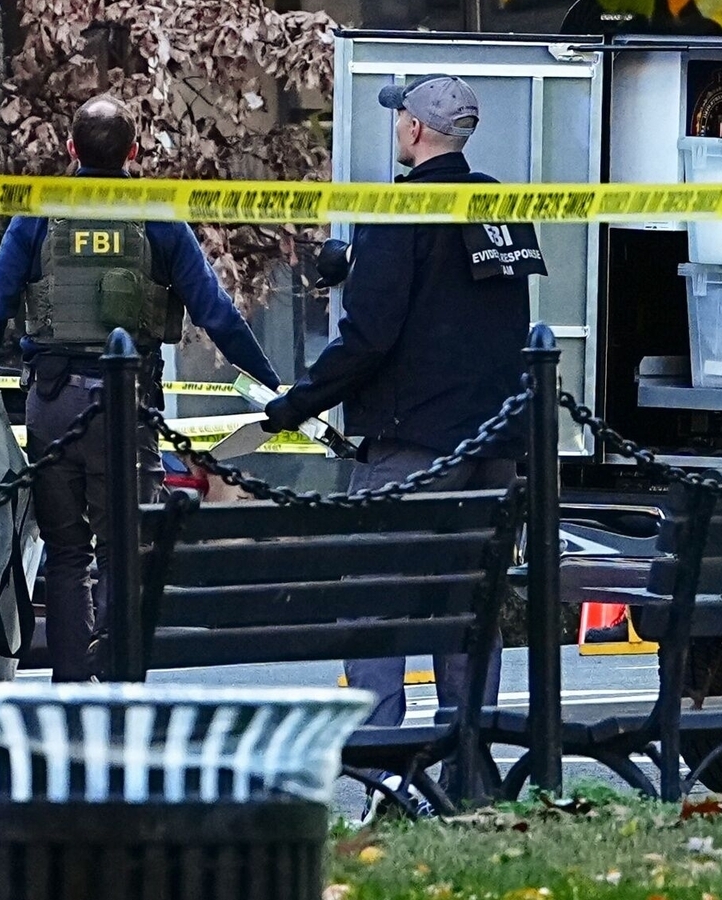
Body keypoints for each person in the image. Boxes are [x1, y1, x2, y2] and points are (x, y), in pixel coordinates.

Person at [262, 73, 544, 809]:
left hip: (412, 447)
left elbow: (369, 339)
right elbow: (475, 311)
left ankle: (381, 771)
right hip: (493, 445)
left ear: (415, 132)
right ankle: (468, 770)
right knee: (467, 602)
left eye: (399, 120)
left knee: (377, 601)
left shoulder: (399, 210)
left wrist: (293, 405)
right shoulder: (500, 209)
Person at [0, 93, 282, 682]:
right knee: (122, 552)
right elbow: (218, 316)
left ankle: (69, 690)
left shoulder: (39, 212)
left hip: (53, 405)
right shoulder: (156, 217)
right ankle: (118, 683)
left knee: (65, 555)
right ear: (134, 152)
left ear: (69, 149)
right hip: (128, 408)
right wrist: (273, 388)